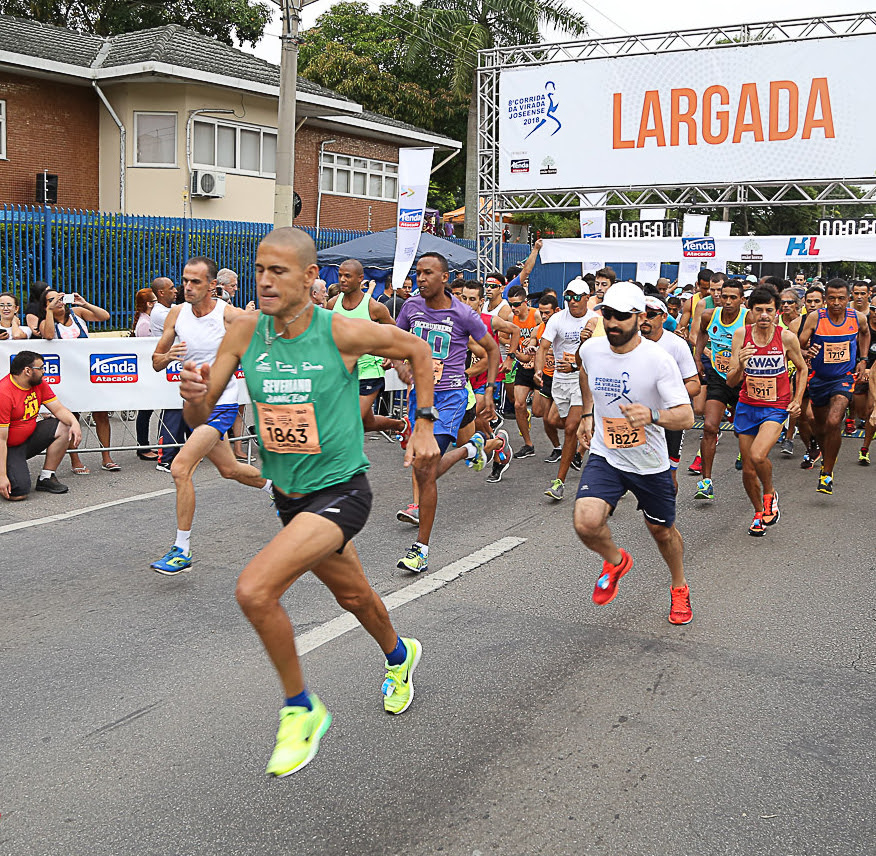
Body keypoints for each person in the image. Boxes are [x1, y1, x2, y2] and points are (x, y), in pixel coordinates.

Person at [178, 226, 438, 777]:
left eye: (280, 271)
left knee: (254, 589)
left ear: (309, 277)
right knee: (355, 598)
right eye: (259, 269)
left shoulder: (341, 332)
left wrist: (424, 424)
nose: (265, 281)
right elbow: (206, 422)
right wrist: (197, 400)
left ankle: (301, 709)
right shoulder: (244, 334)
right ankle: (400, 655)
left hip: (343, 490)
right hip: (290, 498)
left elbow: (416, 349)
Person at [574, 282, 695, 625]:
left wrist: (652, 415)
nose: (612, 323)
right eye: (608, 315)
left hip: (649, 461)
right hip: (606, 454)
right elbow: (586, 374)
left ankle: (679, 586)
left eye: (622, 317)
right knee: (586, 522)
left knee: (662, 532)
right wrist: (587, 414)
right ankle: (615, 561)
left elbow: (685, 417)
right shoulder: (592, 350)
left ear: (639, 317)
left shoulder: (659, 360)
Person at [150, 256, 273, 574]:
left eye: (195, 282)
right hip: (194, 406)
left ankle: (182, 550)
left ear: (212, 286)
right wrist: (169, 354)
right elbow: (155, 362)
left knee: (180, 468)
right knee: (230, 470)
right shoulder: (176, 314)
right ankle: (281, 489)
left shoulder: (229, 315)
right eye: (185, 281)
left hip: (223, 402)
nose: (187, 287)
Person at [394, 252, 502, 573]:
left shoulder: (463, 313)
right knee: (422, 469)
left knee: (425, 467)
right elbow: (396, 342)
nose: (421, 278)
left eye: (428, 273)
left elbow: (493, 350)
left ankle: (421, 549)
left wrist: (490, 392)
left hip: (451, 398)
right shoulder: (411, 307)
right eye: (418, 273)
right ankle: (472, 448)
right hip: (419, 400)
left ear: (445, 277)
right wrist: (401, 365)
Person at [726, 287, 807, 535]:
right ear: (750, 312)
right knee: (748, 469)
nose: (763, 315)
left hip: (775, 407)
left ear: (776, 311)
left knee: (758, 456)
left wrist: (797, 400)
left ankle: (770, 493)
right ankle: (759, 512)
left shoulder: (786, 337)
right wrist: (740, 363)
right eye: (758, 310)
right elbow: (731, 381)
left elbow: (802, 369)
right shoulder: (741, 335)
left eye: (769, 310)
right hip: (747, 406)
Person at [798, 278, 870, 495]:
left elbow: (865, 333)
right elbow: (797, 345)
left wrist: (863, 359)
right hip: (819, 379)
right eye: (831, 298)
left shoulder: (856, 318)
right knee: (820, 427)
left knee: (833, 420)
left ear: (848, 299)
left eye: (841, 298)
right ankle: (823, 454)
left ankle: (827, 472)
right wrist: (805, 353)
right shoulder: (815, 318)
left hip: (844, 378)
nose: (836, 302)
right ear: (825, 299)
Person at [41, 288, 120, 474]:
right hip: (67, 378)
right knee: (72, 417)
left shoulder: (77, 313)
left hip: (89, 373)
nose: (58, 302)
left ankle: (106, 456)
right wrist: (50, 312)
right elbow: (49, 335)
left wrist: (84, 303)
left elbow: (105, 316)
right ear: (45, 305)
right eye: (51, 300)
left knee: (101, 414)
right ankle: (75, 459)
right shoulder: (47, 321)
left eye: (59, 298)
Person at [327, 259, 407, 437]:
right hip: (344, 372)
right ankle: (402, 425)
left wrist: (393, 357)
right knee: (366, 422)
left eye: (347, 276)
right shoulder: (332, 304)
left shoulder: (373, 307)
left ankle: (344, 462)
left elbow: (394, 332)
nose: (342, 279)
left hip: (370, 370)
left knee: (351, 420)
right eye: (340, 275)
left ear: (360, 279)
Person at [535, 278, 594, 501]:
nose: (572, 302)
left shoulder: (595, 321)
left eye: (577, 297)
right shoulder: (558, 319)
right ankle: (591, 425)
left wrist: (576, 365)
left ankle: (559, 482)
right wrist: (538, 370)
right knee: (551, 421)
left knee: (570, 428)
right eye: (568, 297)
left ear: (587, 298)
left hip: (583, 379)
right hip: (560, 380)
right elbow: (543, 347)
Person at [692, 279, 750, 500]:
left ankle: (743, 453)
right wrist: (697, 358)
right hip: (718, 376)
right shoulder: (709, 315)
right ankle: (705, 481)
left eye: (733, 297)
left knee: (741, 431)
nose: (727, 301)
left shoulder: (748, 318)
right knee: (709, 426)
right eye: (724, 296)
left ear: (741, 299)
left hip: (743, 379)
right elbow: (702, 335)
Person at [0, 350, 81, 499]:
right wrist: (2, 476)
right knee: (18, 493)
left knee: (65, 425)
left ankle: (46, 477)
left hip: (27, 439)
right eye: (41, 368)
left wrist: (74, 422)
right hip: (7, 447)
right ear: (27, 371)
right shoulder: (4, 393)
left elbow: (58, 409)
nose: (44, 371)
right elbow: (1, 440)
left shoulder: (38, 384)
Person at [639, 295, 700, 490]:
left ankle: (665, 517)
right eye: (640, 315)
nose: (644, 320)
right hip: (637, 416)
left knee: (668, 479)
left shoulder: (676, 345)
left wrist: (668, 393)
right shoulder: (629, 342)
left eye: (651, 315)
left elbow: (695, 384)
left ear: (664, 317)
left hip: (668, 416)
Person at [150, 277, 184, 472]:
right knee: (173, 411)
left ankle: (180, 452)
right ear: (161, 292)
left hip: (178, 366)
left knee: (183, 410)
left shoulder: (170, 310)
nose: (175, 291)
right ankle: (165, 458)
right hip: (168, 367)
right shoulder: (163, 313)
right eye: (171, 288)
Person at [507, 284, 542, 457]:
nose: (514, 308)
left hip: (538, 366)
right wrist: (514, 351)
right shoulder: (509, 317)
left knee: (538, 410)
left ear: (526, 302)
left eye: (517, 304)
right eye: (511, 304)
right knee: (518, 404)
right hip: (522, 364)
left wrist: (535, 356)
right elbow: (503, 335)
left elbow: (546, 335)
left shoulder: (536, 314)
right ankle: (528, 445)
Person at [132, 288, 159, 461]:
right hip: (147, 371)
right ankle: (143, 446)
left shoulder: (147, 321)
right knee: (145, 410)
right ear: (149, 304)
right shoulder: (144, 324)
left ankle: (146, 444)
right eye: (155, 300)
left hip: (151, 370)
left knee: (148, 410)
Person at [855, 296, 876, 464]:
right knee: (868, 412)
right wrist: (864, 366)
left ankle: (864, 449)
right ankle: (866, 446)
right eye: (873, 310)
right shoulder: (863, 327)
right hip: (864, 372)